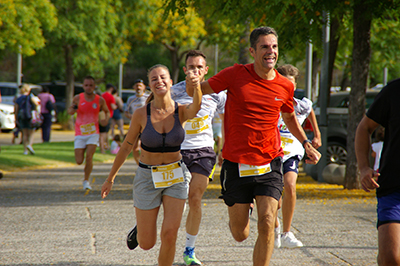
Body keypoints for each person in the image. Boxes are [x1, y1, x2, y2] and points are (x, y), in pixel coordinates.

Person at [186, 26, 321, 266]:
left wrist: (306, 143)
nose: (271, 52)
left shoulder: (285, 85)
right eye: (265, 47)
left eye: (274, 47)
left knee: (268, 222)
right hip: (236, 163)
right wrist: (193, 83)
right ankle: (242, 207)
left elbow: (289, 117)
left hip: (270, 161)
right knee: (240, 234)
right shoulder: (234, 74)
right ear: (252, 50)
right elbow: (200, 91)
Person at [101, 64, 202, 266]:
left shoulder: (180, 111)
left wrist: (197, 86)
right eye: (154, 79)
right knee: (147, 243)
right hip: (148, 176)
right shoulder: (141, 114)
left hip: (176, 176)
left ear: (171, 82)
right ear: (149, 85)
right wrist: (110, 178)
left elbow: (195, 107)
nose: (159, 81)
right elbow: (126, 147)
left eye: (163, 77)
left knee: (170, 233)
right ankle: (142, 227)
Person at [170, 50, 226, 265]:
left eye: (198, 67)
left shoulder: (217, 93)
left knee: (195, 197)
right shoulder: (173, 92)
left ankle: (189, 250)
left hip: (204, 152)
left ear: (205, 71)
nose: (194, 71)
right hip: (177, 151)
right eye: (191, 67)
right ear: (185, 70)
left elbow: (227, 117)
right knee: (176, 198)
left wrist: (225, 147)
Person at [274, 64, 321, 249]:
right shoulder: (271, 102)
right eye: (284, 83)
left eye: (291, 84)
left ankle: (287, 233)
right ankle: (276, 226)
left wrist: (316, 135)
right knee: (274, 201)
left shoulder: (301, 104)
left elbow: (309, 110)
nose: (287, 87)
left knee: (290, 184)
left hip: (292, 152)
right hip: (272, 152)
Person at [355, 79, 400, 266]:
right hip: (393, 186)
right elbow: (364, 127)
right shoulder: (394, 91)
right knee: (391, 257)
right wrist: (364, 167)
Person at [68, 76, 110, 190]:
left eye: (91, 85)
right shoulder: (78, 98)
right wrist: (72, 109)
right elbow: (70, 111)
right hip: (80, 133)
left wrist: (105, 120)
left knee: (89, 157)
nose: (88, 87)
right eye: (86, 85)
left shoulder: (99, 100)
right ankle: (85, 177)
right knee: (79, 161)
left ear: (94, 86)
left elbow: (107, 111)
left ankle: (86, 181)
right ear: (83, 86)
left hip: (93, 133)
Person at [124, 79, 149, 165]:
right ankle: (139, 165)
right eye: (137, 86)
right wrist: (133, 117)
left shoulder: (148, 97)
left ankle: (146, 164)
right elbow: (126, 112)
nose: (138, 87)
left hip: (146, 126)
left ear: (144, 87)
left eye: (140, 85)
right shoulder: (131, 99)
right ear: (134, 87)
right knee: (134, 147)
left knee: (144, 147)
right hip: (134, 126)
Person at [14, 84, 36, 155]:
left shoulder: (18, 98)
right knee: (31, 133)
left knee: (24, 134)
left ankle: (25, 150)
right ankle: (30, 144)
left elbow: (16, 109)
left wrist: (16, 118)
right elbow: (36, 104)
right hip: (30, 116)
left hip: (22, 117)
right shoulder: (30, 97)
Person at [99, 84, 117, 153]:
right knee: (105, 133)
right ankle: (104, 148)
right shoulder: (111, 97)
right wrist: (116, 106)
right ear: (111, 88)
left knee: (101, 133)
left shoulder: (102, 95)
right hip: (108, 116)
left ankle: (104, 147)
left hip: (100, 116)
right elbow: (113, 107)